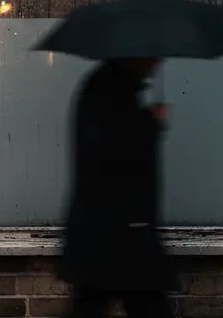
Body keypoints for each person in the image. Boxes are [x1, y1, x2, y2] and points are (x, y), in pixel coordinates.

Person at [59, 57, 177, 318]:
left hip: (111, 233)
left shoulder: (111, 87)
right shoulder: (109, 91)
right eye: (152, 56)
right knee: (145, 304)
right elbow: (114, 154)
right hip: (118, 233)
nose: (156, 63)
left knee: (92, 303)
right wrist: (150, 123)